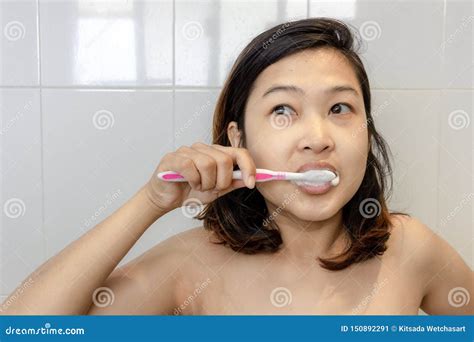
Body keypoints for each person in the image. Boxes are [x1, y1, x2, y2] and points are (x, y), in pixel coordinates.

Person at [2, 18, 472, 315]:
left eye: (340, 109)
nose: (318, 138)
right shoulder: (193, 264)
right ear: (237, 140)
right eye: (282, 111)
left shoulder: (410, 249)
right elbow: (25, 328)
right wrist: (150, 202)